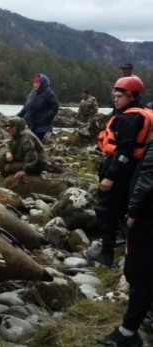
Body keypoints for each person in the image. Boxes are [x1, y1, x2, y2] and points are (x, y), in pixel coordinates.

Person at [96, 121, 153, 346]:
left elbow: (147, 182)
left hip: (147, 220)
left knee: (139, 274)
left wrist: (133, 213)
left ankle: (128, 332)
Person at [86, 76, 152, 268]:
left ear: (132, 96)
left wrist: (110, 177)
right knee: (125, 210)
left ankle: (106, 254)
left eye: (120, 96)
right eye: (115, 96)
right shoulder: (144, 113)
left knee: (106, 210)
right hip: (135, 170)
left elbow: (124, 151)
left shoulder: (128, 119)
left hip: (121, 171)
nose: (116, 99)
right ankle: (131, 247)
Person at [16, 73, 59, 141]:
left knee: (35, 145)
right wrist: (17, 117)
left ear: (43, 83)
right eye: (35, 82)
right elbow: (25, 108)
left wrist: (46, 117)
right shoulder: (32, 93)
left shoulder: (49, 93)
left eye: (38, 83)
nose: (35, 84)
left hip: (43, 128)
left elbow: (55, 107)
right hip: (31, 126)